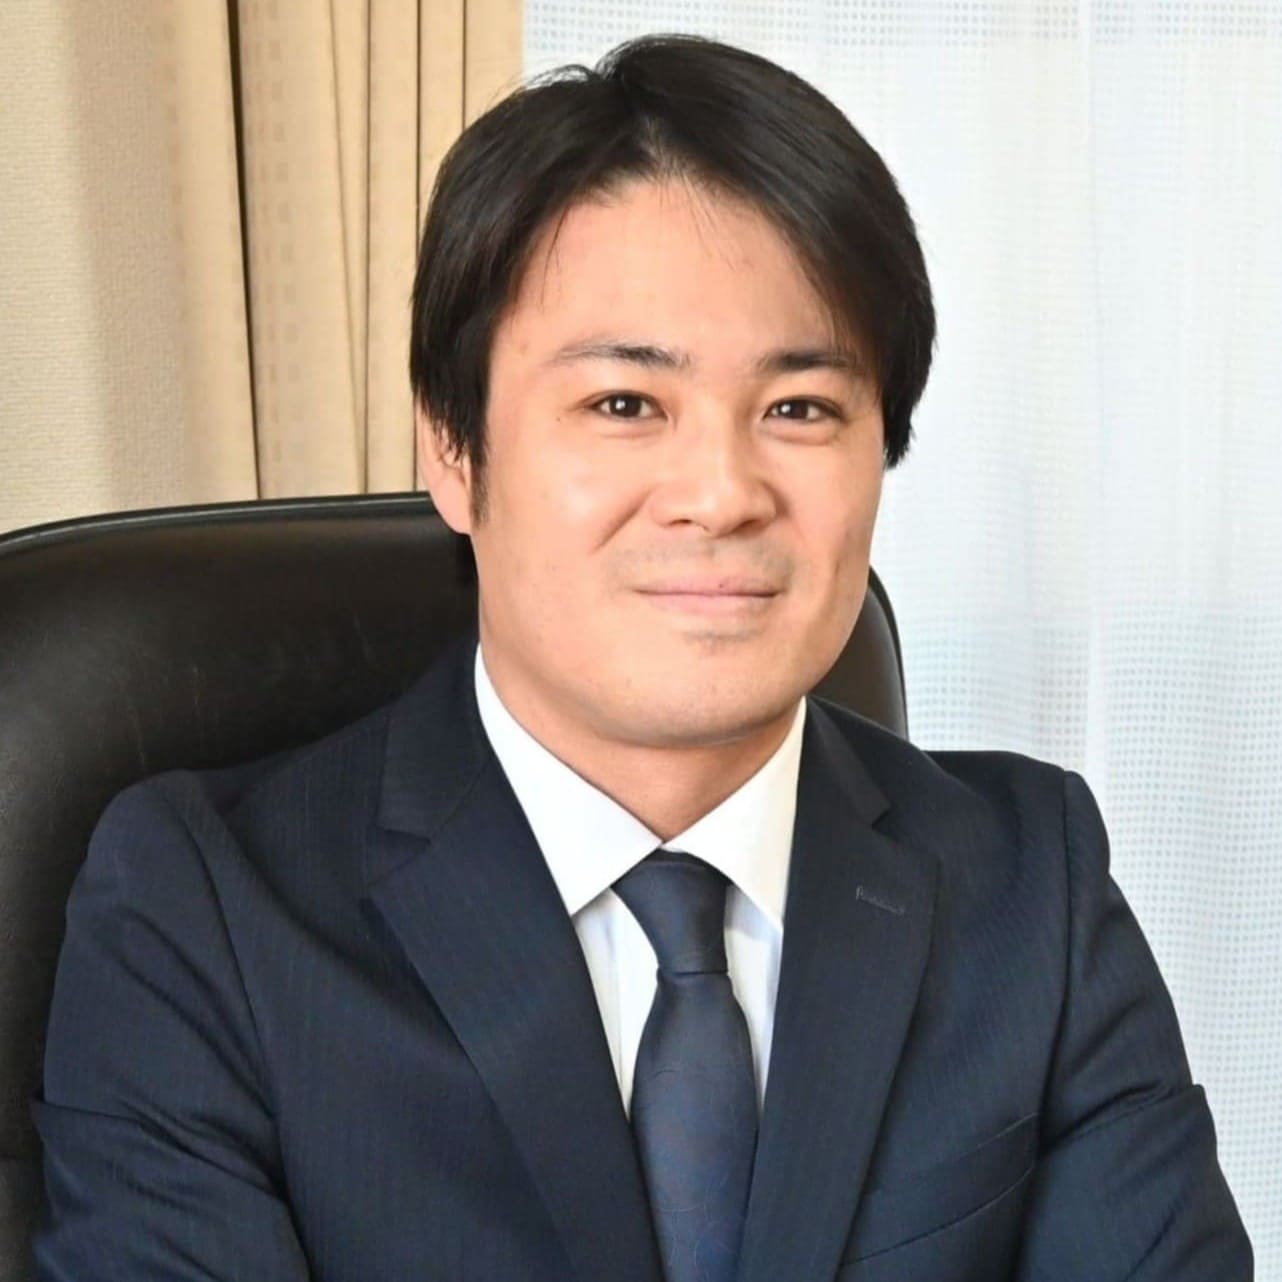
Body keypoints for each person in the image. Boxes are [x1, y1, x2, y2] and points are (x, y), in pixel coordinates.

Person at [34, 33, 1251, 1282]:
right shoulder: (205, 911)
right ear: (452, 447)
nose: (720, 493)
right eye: (624, 404)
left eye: (799, 408)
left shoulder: (1028, 885)